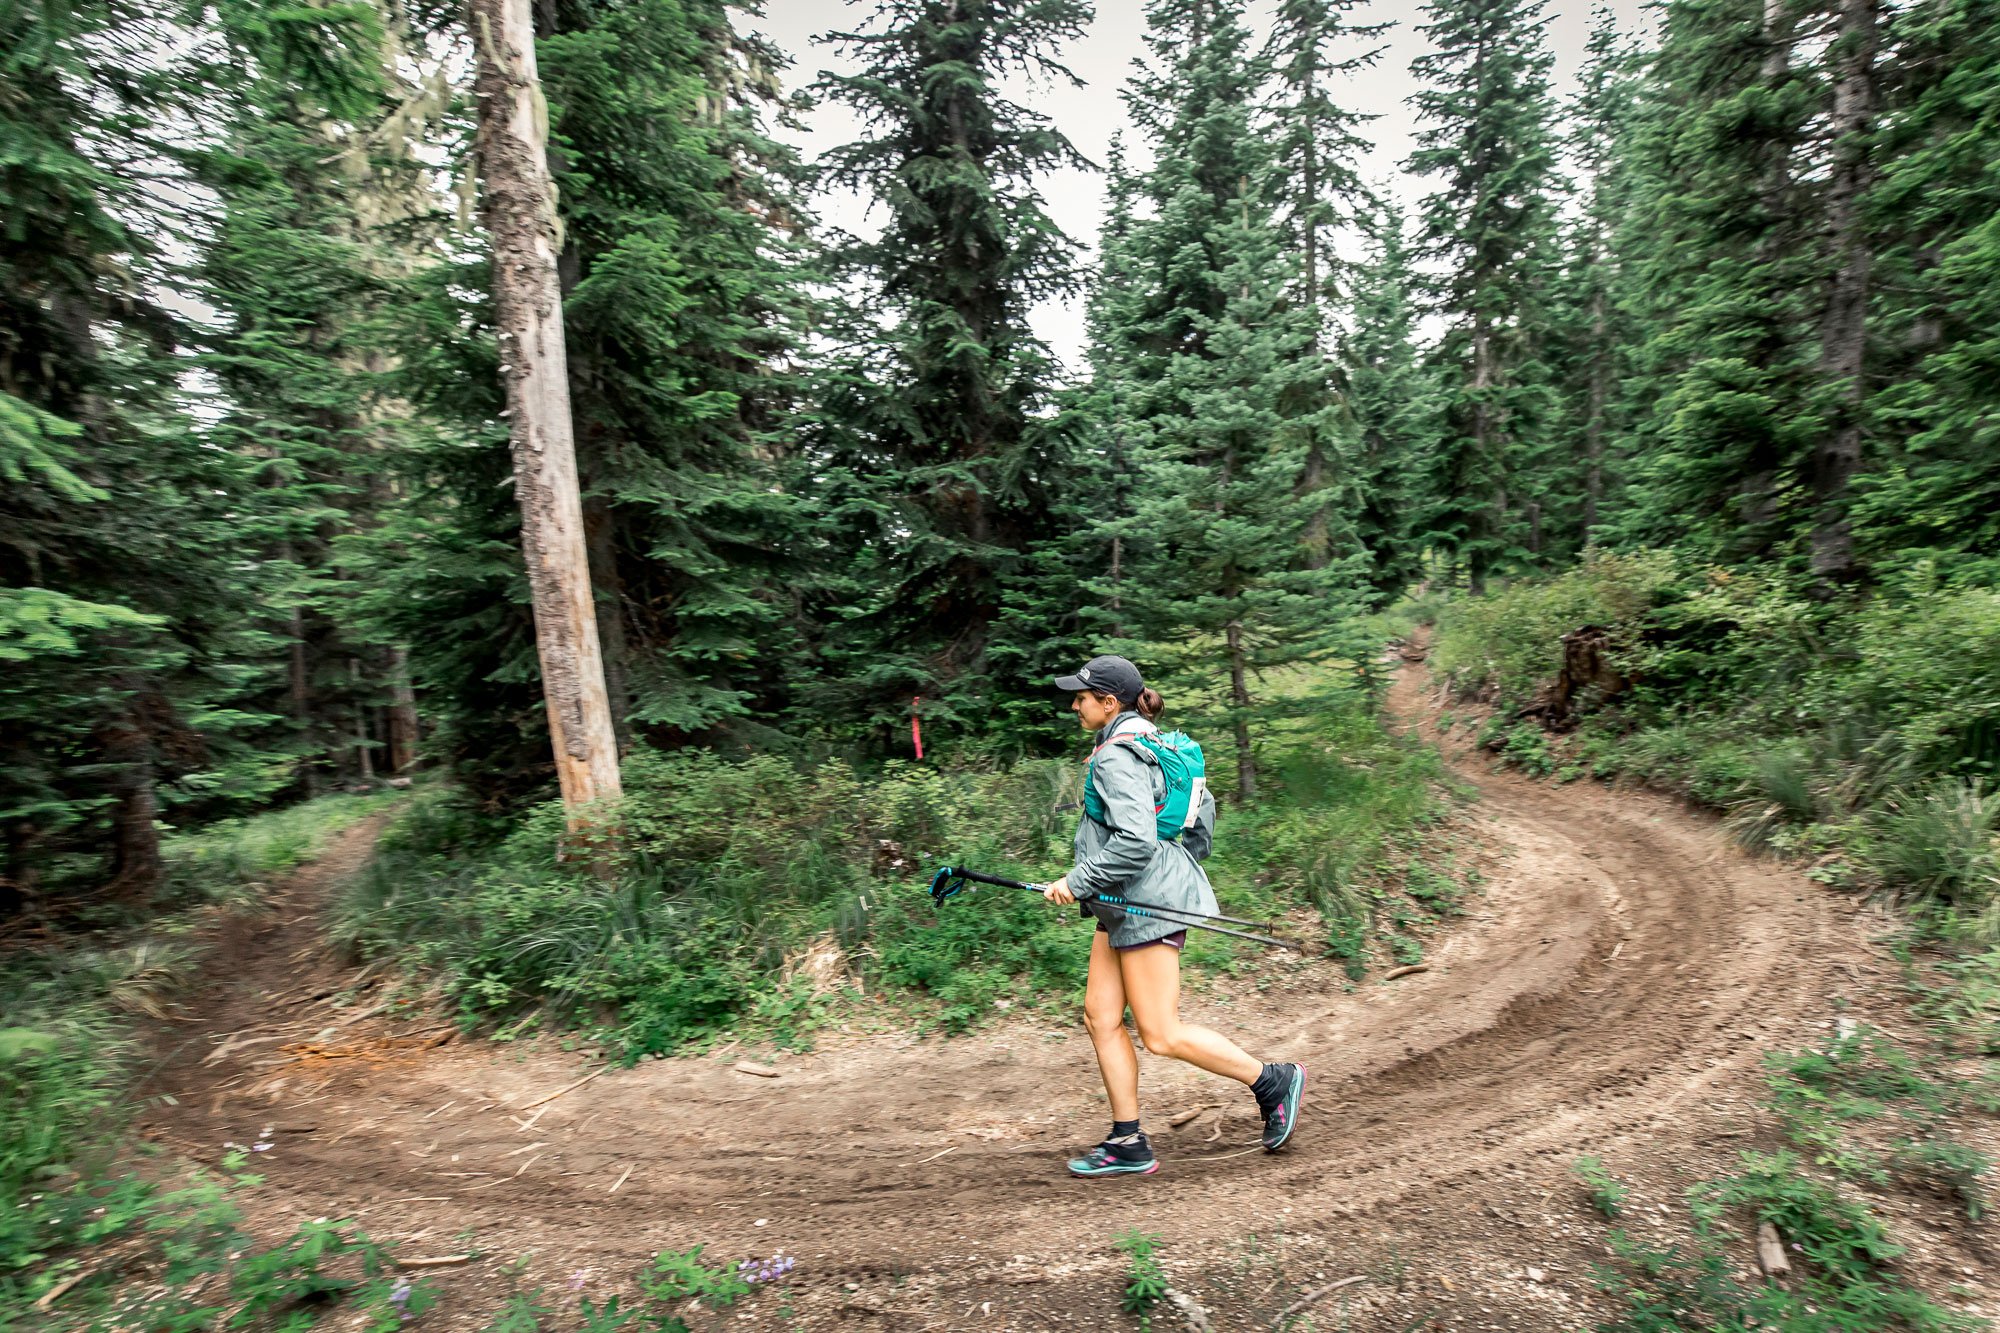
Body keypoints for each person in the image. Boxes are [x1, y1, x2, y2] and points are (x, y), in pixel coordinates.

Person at [1042, 654, 1305, 1178]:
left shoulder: (1116, 755)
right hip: (1127, 898)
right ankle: (1128, 1141)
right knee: (1100, 1015)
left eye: (1082, 697)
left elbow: (1137, 839)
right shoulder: (1155, 741)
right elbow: (1198, 820)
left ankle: (1272, 1080)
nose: (1074, 704)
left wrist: (1077, 881)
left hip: (1144, 900)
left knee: (1160, 1032)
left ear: (1109, 702)